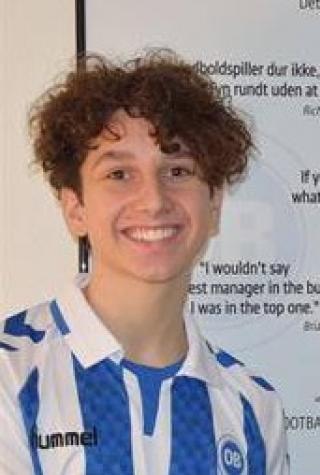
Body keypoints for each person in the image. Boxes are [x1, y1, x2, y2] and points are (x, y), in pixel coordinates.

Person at [0, 51, 289, 474]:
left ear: (214, 204)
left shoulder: (253, 408)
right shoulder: (11, 374)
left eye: (177, 171)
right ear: (75, 208)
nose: (153, 201)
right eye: (119, 174)